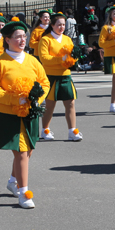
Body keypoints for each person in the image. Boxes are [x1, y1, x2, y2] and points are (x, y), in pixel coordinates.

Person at [0, 18, 50, 209]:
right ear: (7, 39)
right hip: (8, 114)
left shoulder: (32, 61)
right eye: (17, 37)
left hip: (30, 112)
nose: (22, 40)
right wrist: (15, 99)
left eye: (24, 36)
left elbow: (44, 83)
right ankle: (24, 193)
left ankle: (13, 181)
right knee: (21, 151)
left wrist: (37, 98)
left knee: (28, 150)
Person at [38, 12, 83, 142]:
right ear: (52, 25)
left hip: (65, 75)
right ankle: (45, 129)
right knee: (50, 105)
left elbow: (73, 54)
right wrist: (60, 59)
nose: (61, 27)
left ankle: (72, 131)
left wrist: (74, 60)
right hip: (51, 76)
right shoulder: (46, 39)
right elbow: (44, 58)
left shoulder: (67, 39)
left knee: (70, 103)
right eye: (59, 25)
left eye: (63, 24)